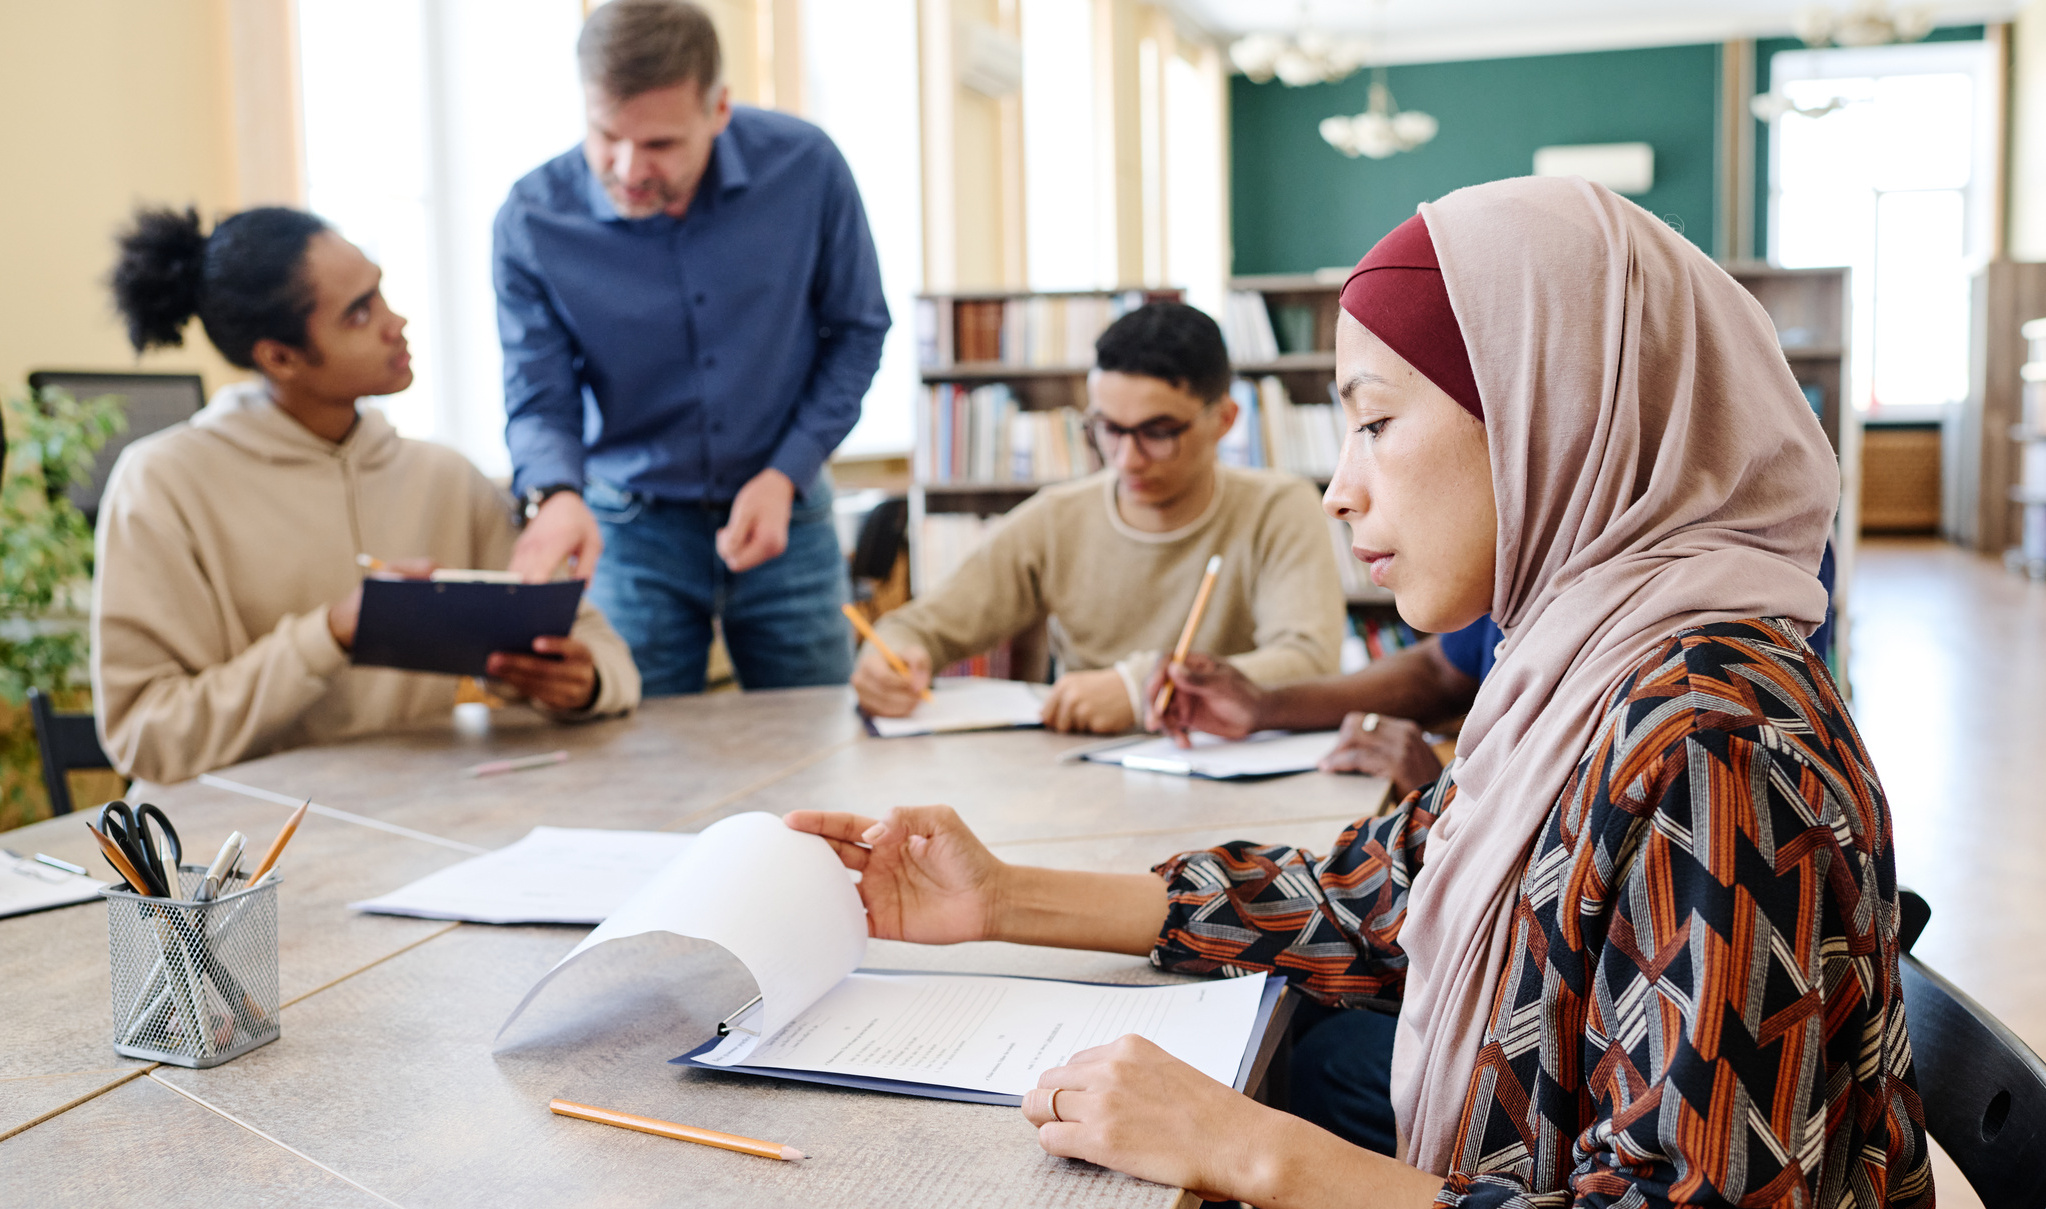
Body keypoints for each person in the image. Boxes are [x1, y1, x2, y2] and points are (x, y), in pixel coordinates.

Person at [787, 178, 1929, 1206]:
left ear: (1551, 416)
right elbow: (1381, 891)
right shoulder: (1583, 669)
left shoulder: (1707, 742)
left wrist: (1255, 1154)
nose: (1339, 488)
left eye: (1377, 421)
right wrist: (999, 898)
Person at [94, 206, 641, 786]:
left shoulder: (446, 477)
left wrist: (582, 684)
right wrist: (328, 635)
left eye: (379, 293)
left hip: (413, 826)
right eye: (359, 314)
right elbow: (145, 738)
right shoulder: (161, 482)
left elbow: (608, 658)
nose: (396, 322)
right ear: (279, 357)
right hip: (236, 852)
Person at [495, 0, 889, 695]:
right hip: (630, 526)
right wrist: (555, 493)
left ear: (719, 109)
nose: (628, 168)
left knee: (816, 735)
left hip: (786, 510)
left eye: (661, 145)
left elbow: (857, 332)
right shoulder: (531, 219)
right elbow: (539, 391)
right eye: (606, 135)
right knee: (637, 749)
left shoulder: (807, 168)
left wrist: (786, 472)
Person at [853, 302, 1346, 734]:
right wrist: (887, 657)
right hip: (1083, 777)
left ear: (1224, 420)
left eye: (1157, 431)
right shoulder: (1056, 518)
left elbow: (1310, 663)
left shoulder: (1278, 508)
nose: (1127, 458)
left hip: (1234, 774)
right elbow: (922, 628)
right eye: (1108, 428)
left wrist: (1139, 689)